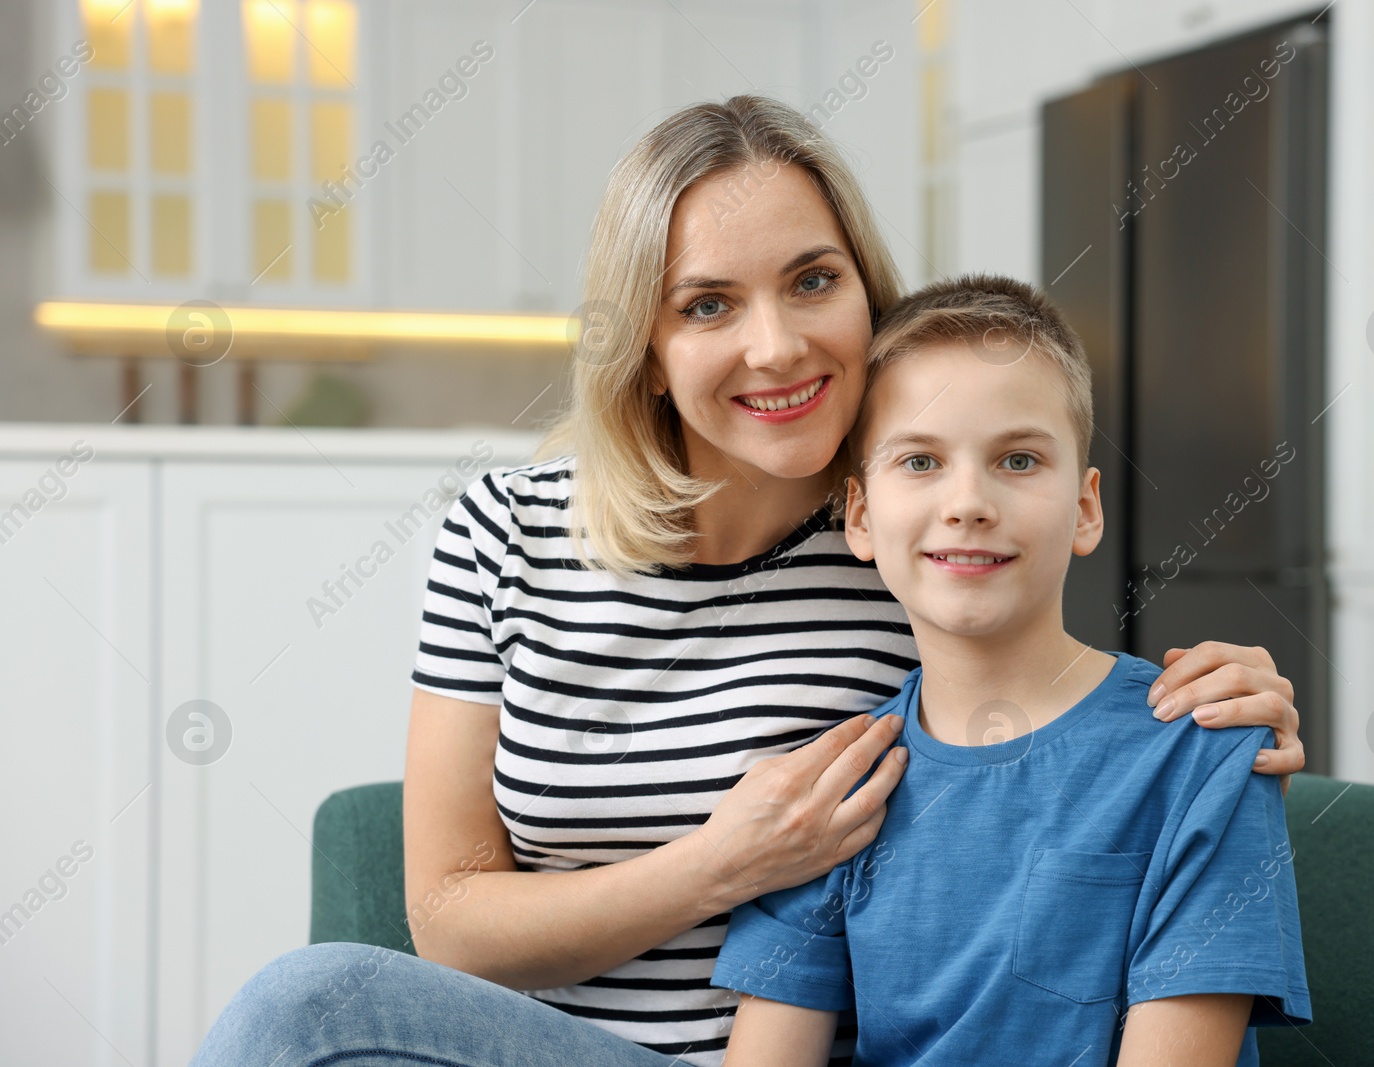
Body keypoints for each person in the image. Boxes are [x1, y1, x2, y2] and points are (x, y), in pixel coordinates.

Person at [191, 95, 1304, 1067]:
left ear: (865, 294)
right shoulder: (505, 532)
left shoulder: (902, 542)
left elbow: (1063, 714)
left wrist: (1233, 700)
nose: (774, 347)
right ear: (647, 344)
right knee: (312, 1008)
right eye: (707, 303)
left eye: (812, 280)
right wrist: (722, 860)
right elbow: (444, 915)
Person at [710, 274, 1312, 1067]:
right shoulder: (832, 794)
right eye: (921, 461)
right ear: (860, 514)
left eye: (1018, 459)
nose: (968, 502)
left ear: (1086, 507)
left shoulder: (1204, 752)